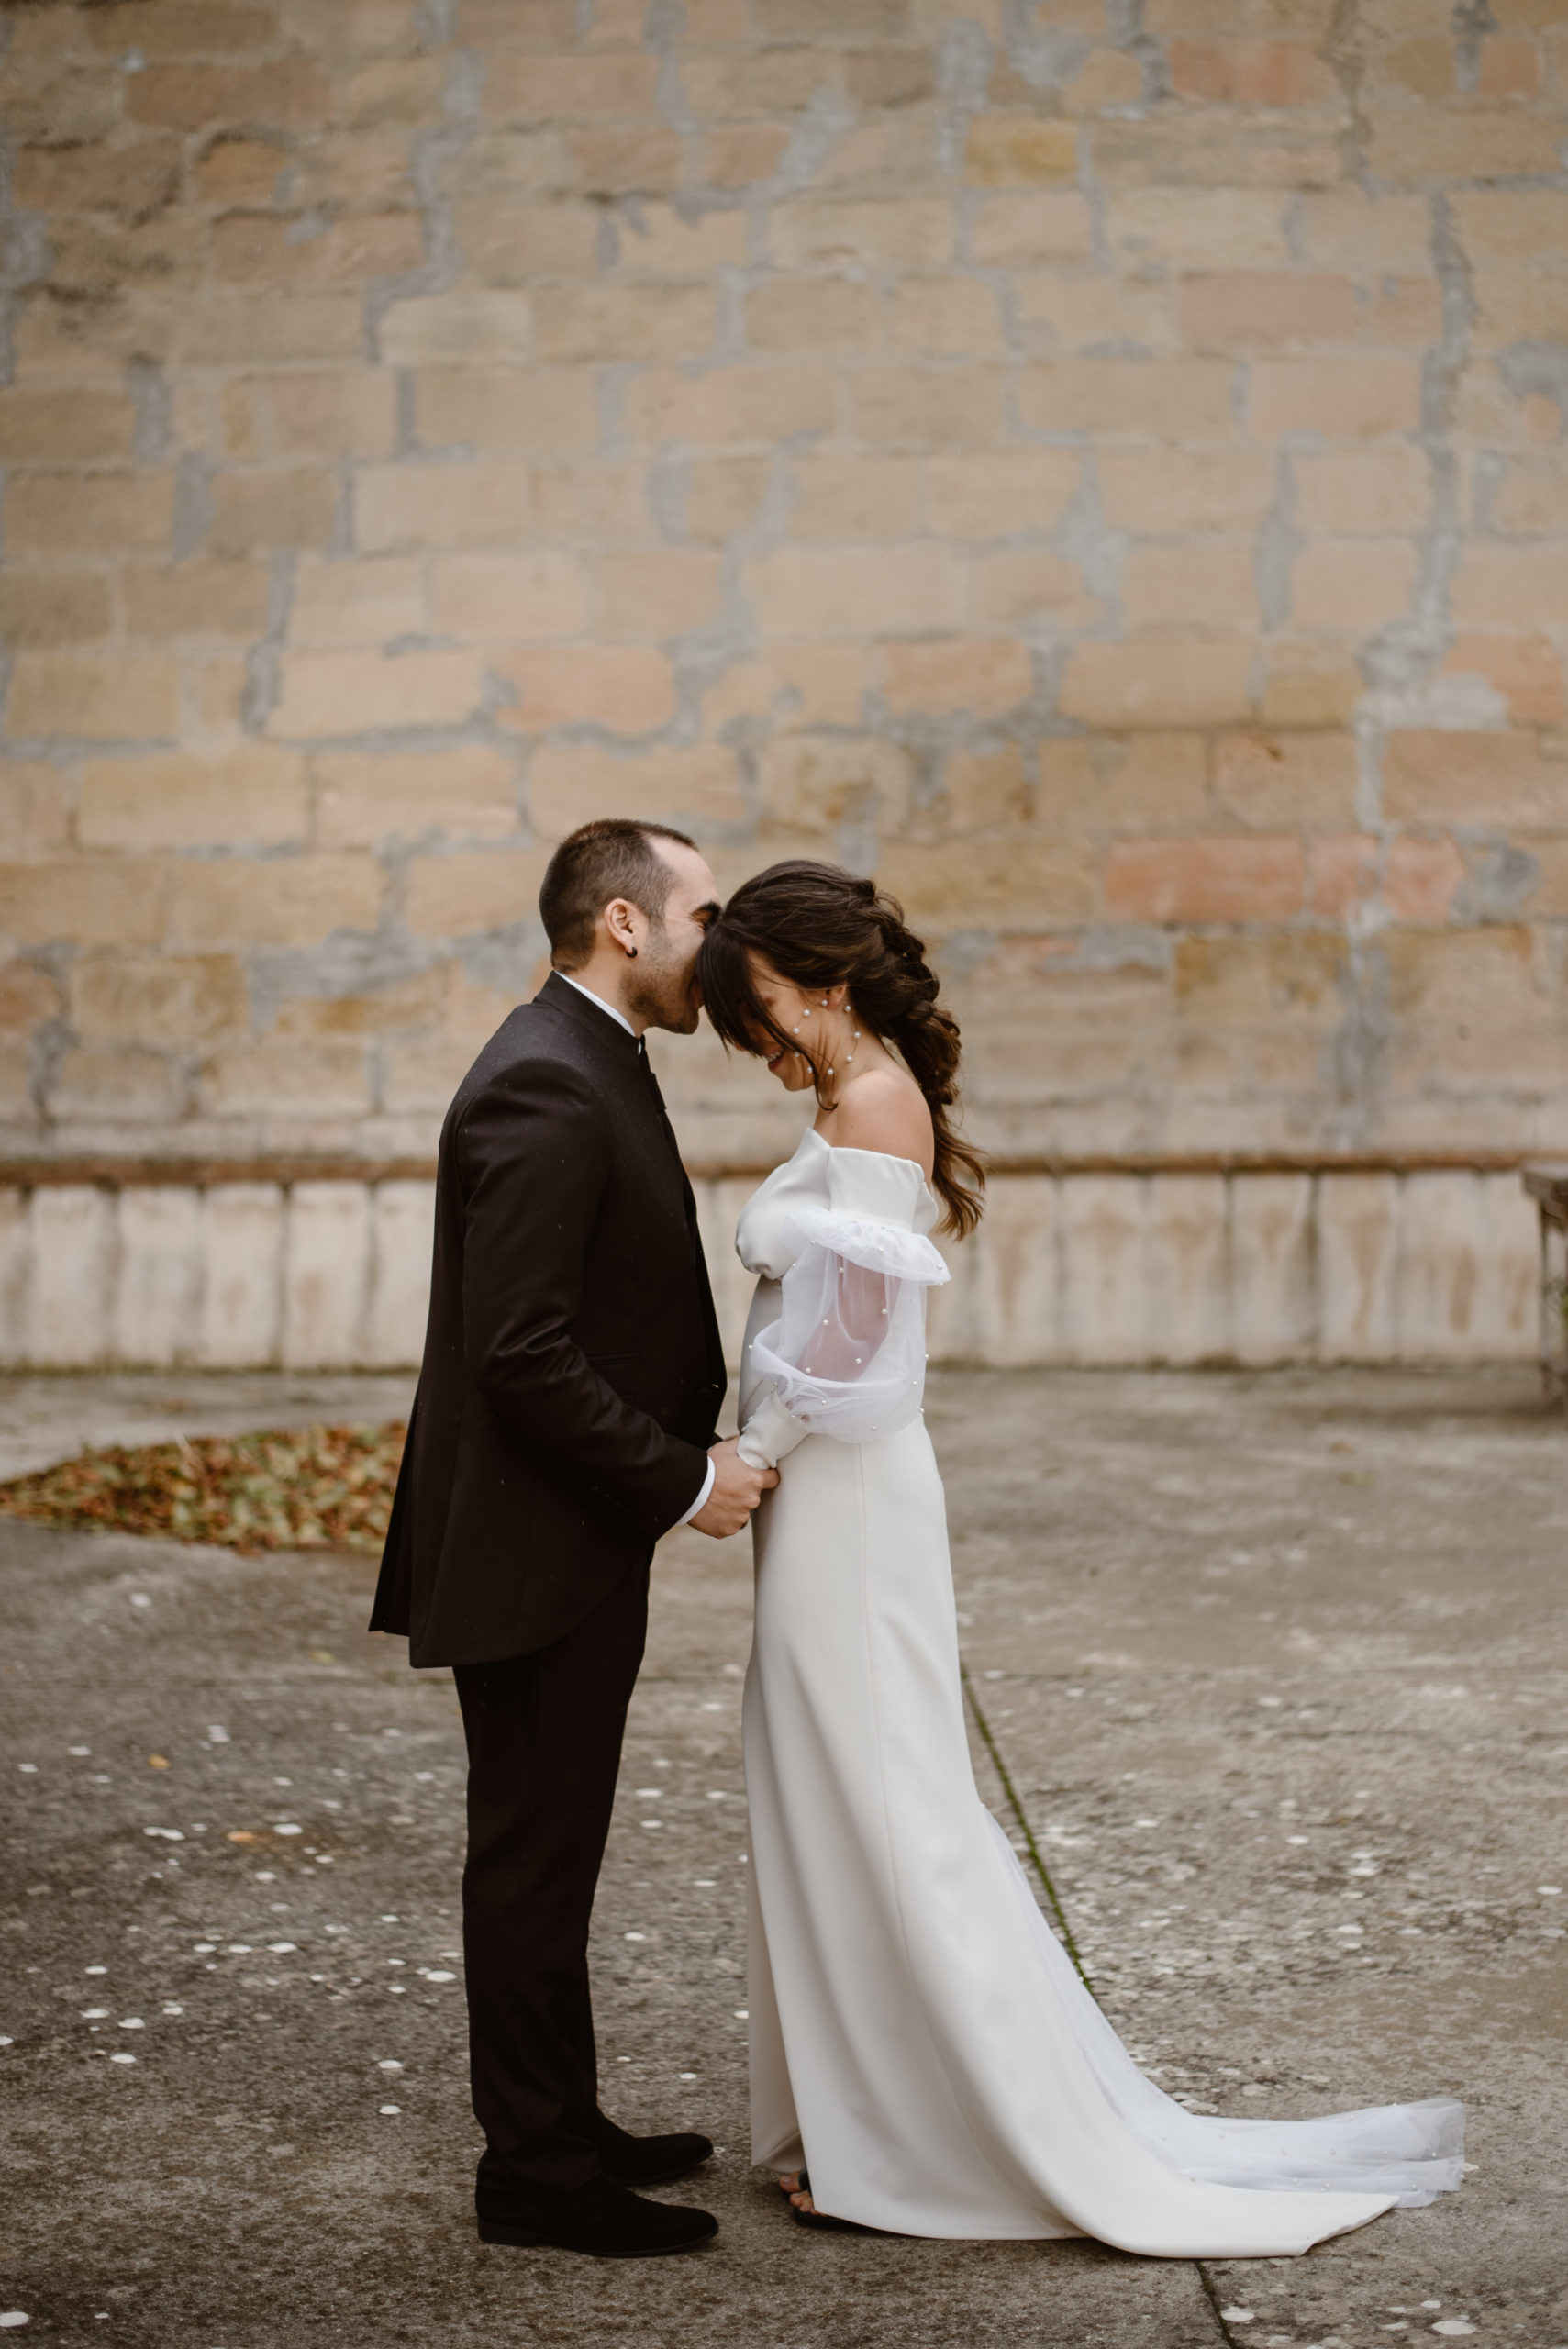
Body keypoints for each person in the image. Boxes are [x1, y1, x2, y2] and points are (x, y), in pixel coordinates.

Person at [696, 858, 1464, 2254]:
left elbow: (858, 1335)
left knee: (886, 1806)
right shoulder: (847, 1092)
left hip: (844, 1494)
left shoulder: (870, 1096)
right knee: (829, 1794)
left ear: (820, 977)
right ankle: (866, 2119)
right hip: (828, 1493)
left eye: (752, 1006)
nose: (749, 1038)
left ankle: (927, 2137)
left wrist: (757, 1457)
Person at [371, 818, 776, 2261]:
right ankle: (535, 2176)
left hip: (572, 1535)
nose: (719, 941)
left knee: (555, 1845)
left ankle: (566, 2120)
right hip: (536, 1545)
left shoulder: (588, 1053)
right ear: (623, 924)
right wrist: (678, 1477)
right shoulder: (544, 1080)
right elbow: (521, 1356)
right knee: (533, 1858)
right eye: (703, 913)